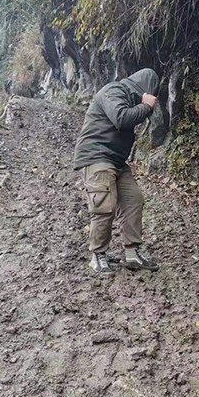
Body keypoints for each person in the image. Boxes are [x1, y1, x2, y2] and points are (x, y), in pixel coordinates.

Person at [74, 68, 161, 275]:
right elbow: (121, 118)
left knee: (133, 199)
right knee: (104, 206)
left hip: (116, 160)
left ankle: (132, 253)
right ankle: (98, 256)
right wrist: (146, 106)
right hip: (96, 156)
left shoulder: (126, 97)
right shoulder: (113, 91)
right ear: (144, 89)